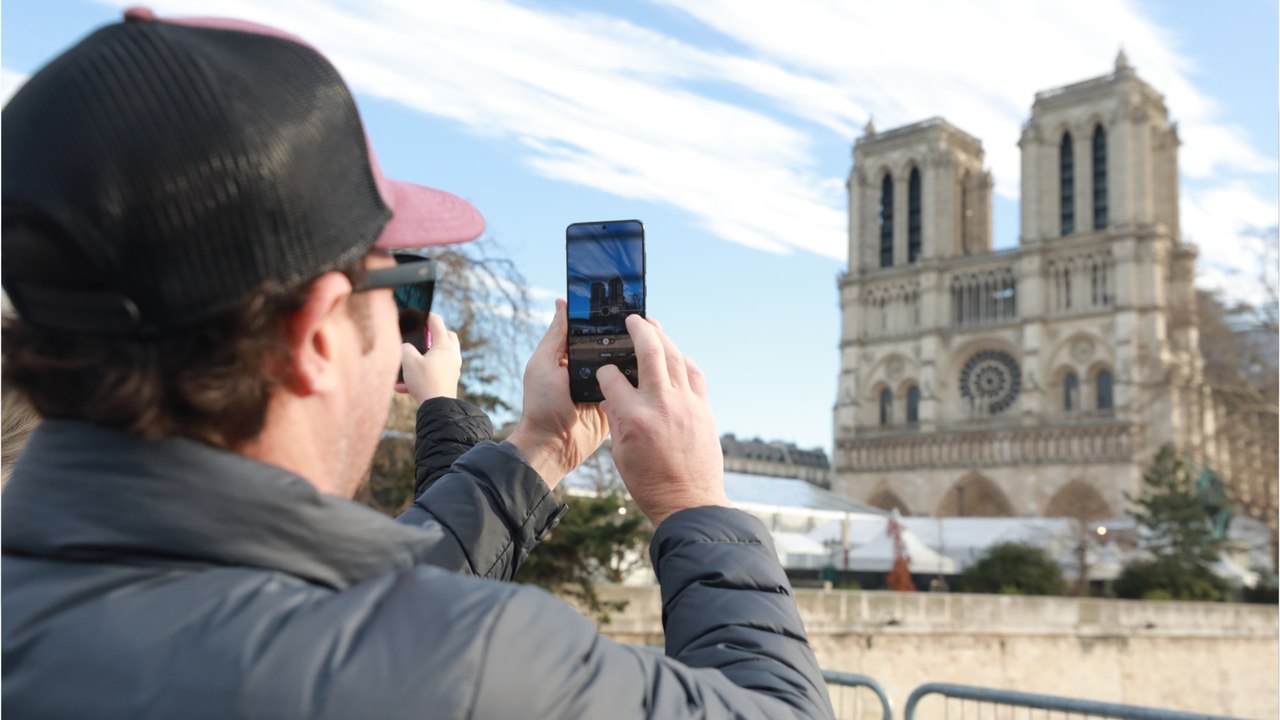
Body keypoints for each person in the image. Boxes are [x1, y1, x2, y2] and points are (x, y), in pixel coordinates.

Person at [1, 9, 835, 719]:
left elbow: (340, 595)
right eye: (400, 282)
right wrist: (695, 506)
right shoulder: (468, 665)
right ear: (317, 335)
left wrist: (541, 448)